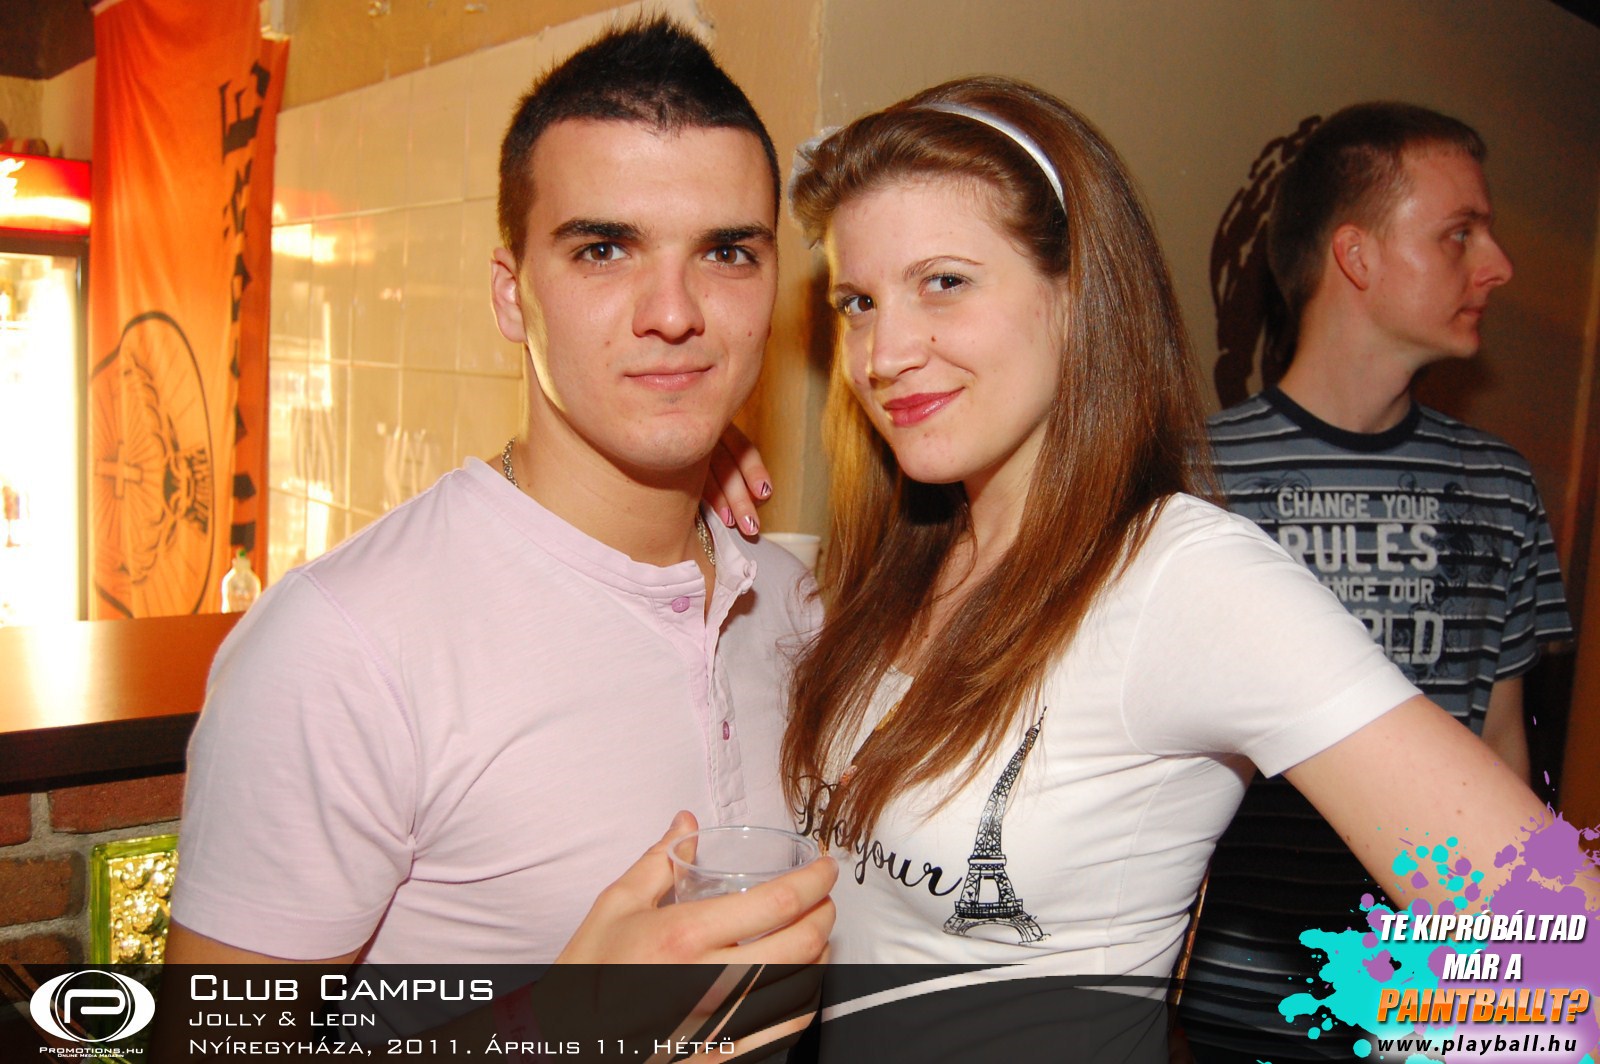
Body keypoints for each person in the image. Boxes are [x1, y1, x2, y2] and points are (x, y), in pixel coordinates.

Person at [760, 76, 1559, 1051]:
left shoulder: (1185, 579)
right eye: (857, 300)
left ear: (1077, 293)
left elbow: (1560, 956)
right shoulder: (909, 554)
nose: (882, 352)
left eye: (945, 282)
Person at [165, 17, 834, 971]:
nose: (675, 312)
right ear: (512, 294)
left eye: (727, 253)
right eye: (604, 250)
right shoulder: (342, 649)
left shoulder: (801, 608)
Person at [1180, 103, 1574, 1061]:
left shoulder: (1502, 485)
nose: (1498, 266)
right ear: (1355, 256)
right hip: (1226, 1015)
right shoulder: (1193, 478)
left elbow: (1500, 745)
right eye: (1459, 233)